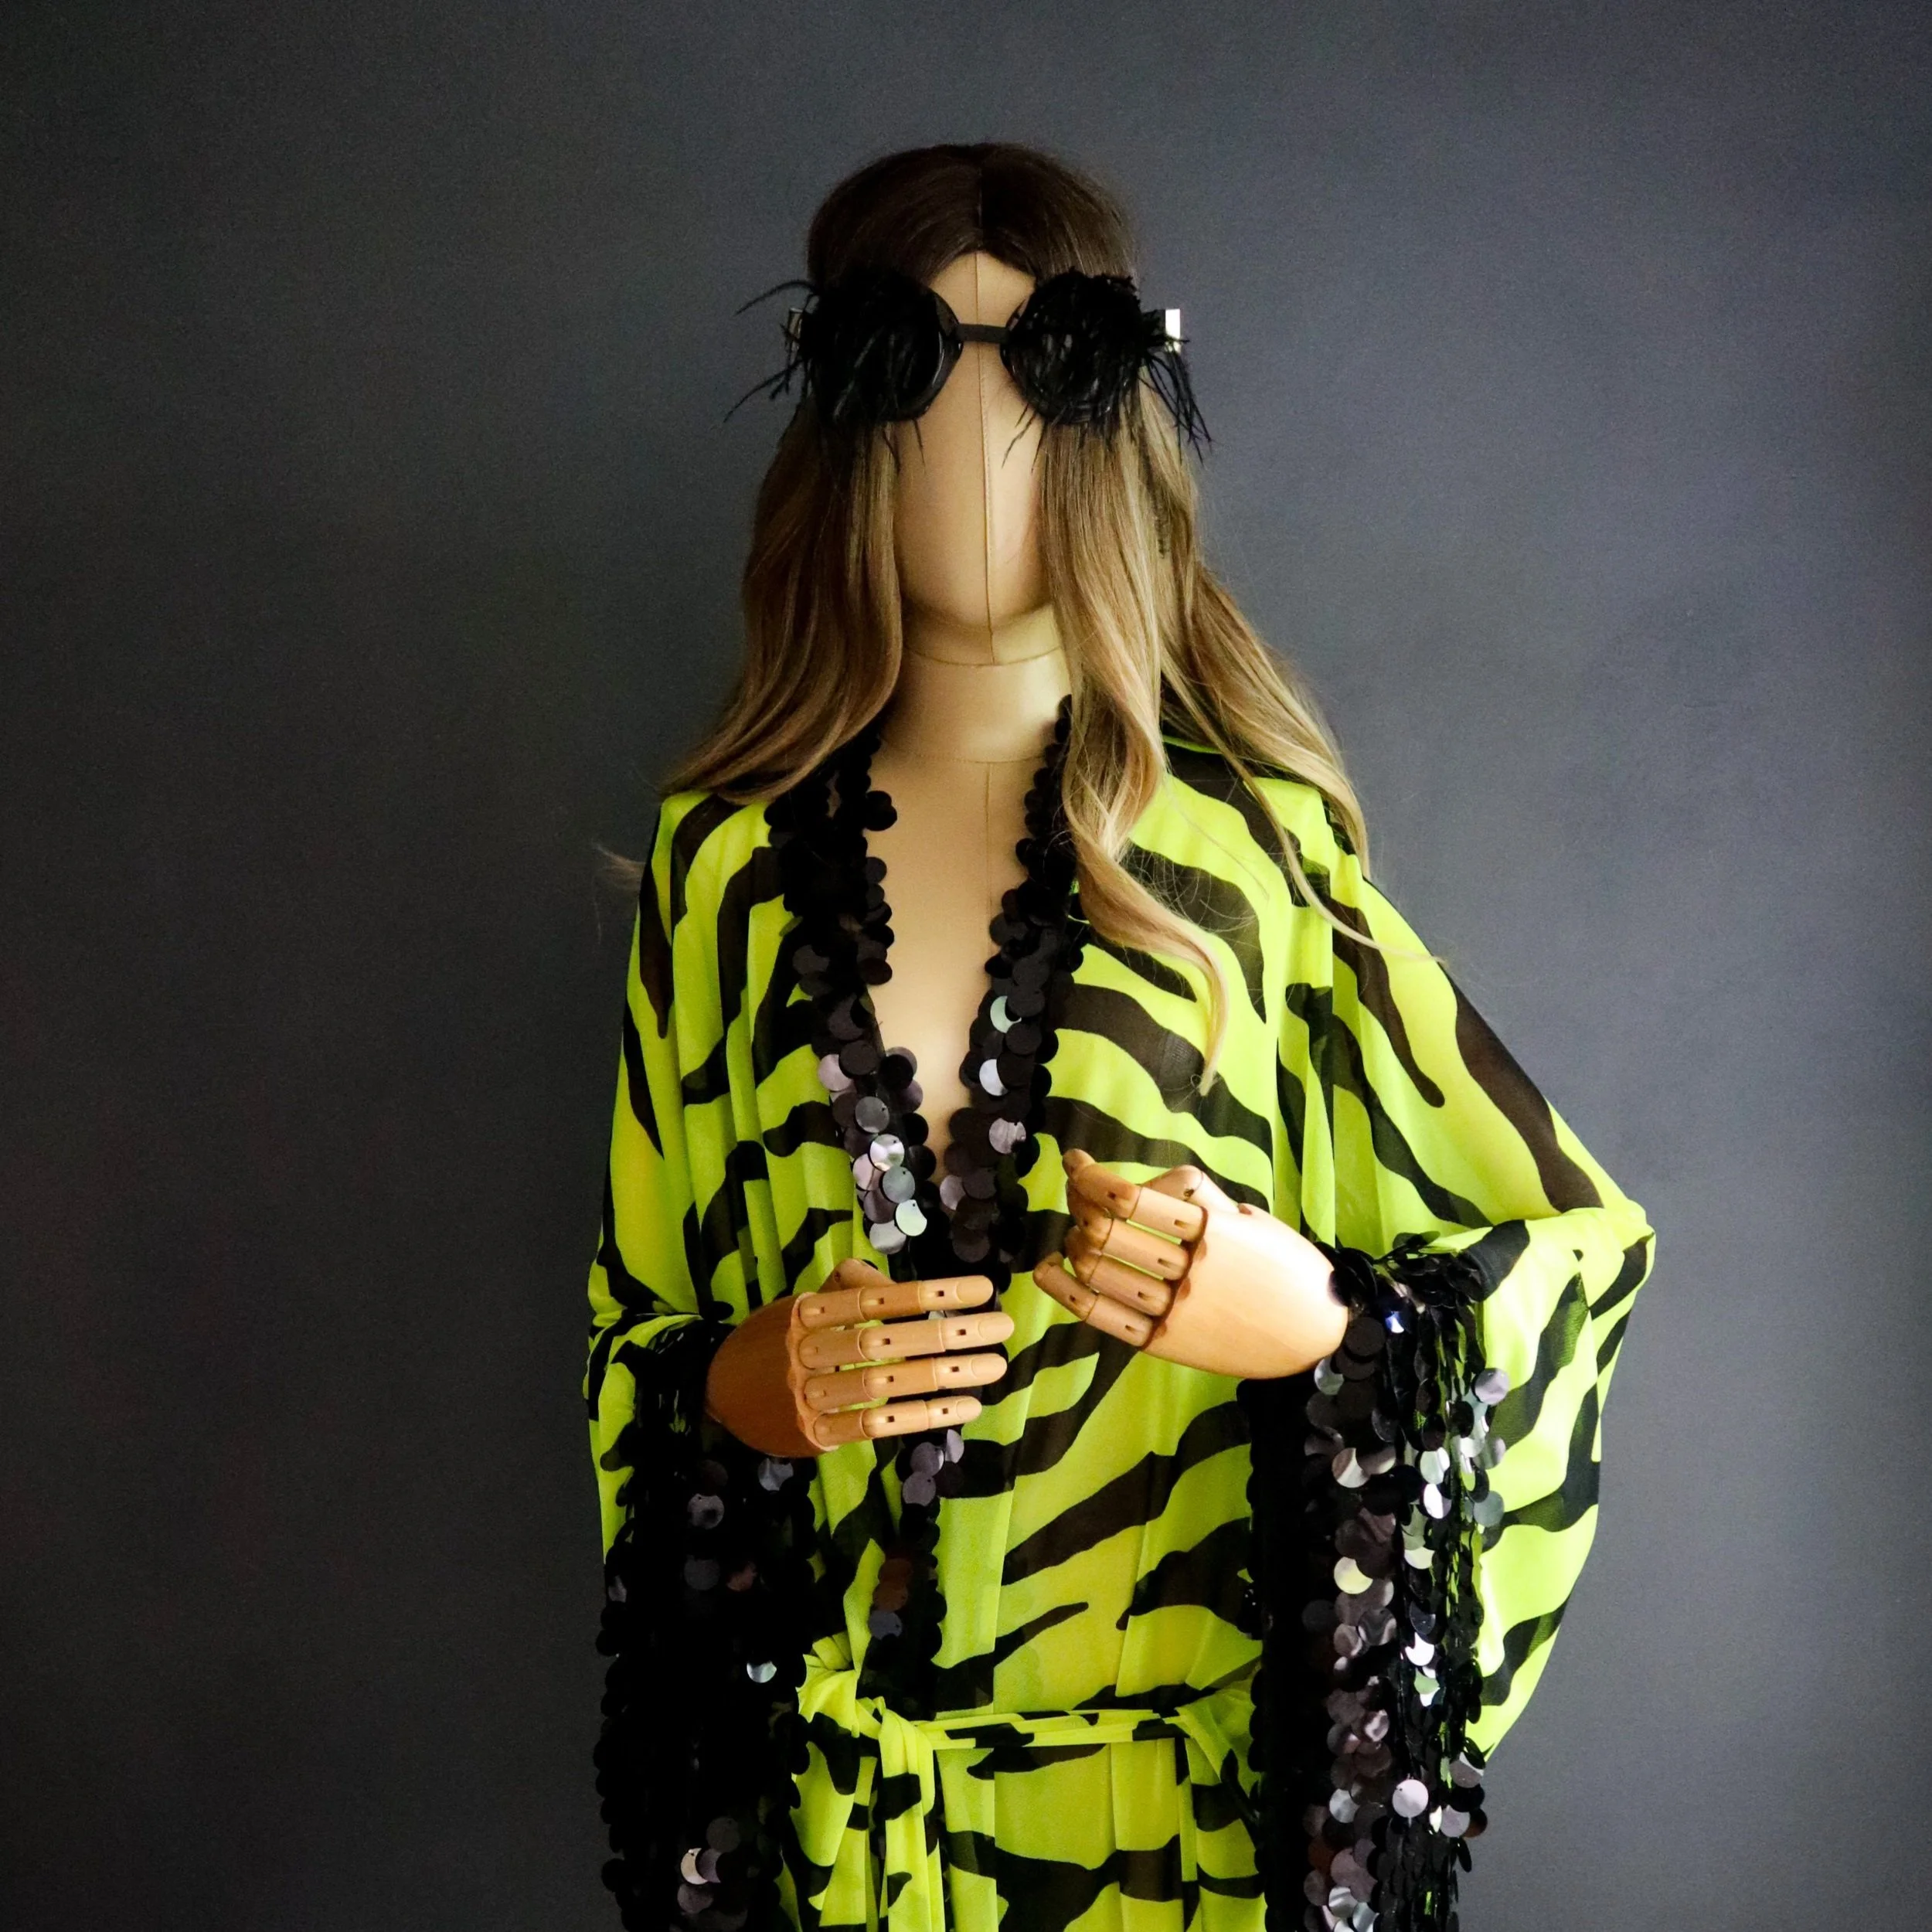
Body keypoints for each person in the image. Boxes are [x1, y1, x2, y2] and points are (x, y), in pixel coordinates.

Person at [584, 141, 1654, 1932]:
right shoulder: (720, 874)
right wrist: (750, 1383)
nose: (980, 445)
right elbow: (635, 1339)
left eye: (1044, 370)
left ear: (1113, 409)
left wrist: (1327, 1323)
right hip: (839, 1842)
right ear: (841, 412)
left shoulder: (1250, 861)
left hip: (1178, 1847)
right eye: (911, 373)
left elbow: (1574, 1252)